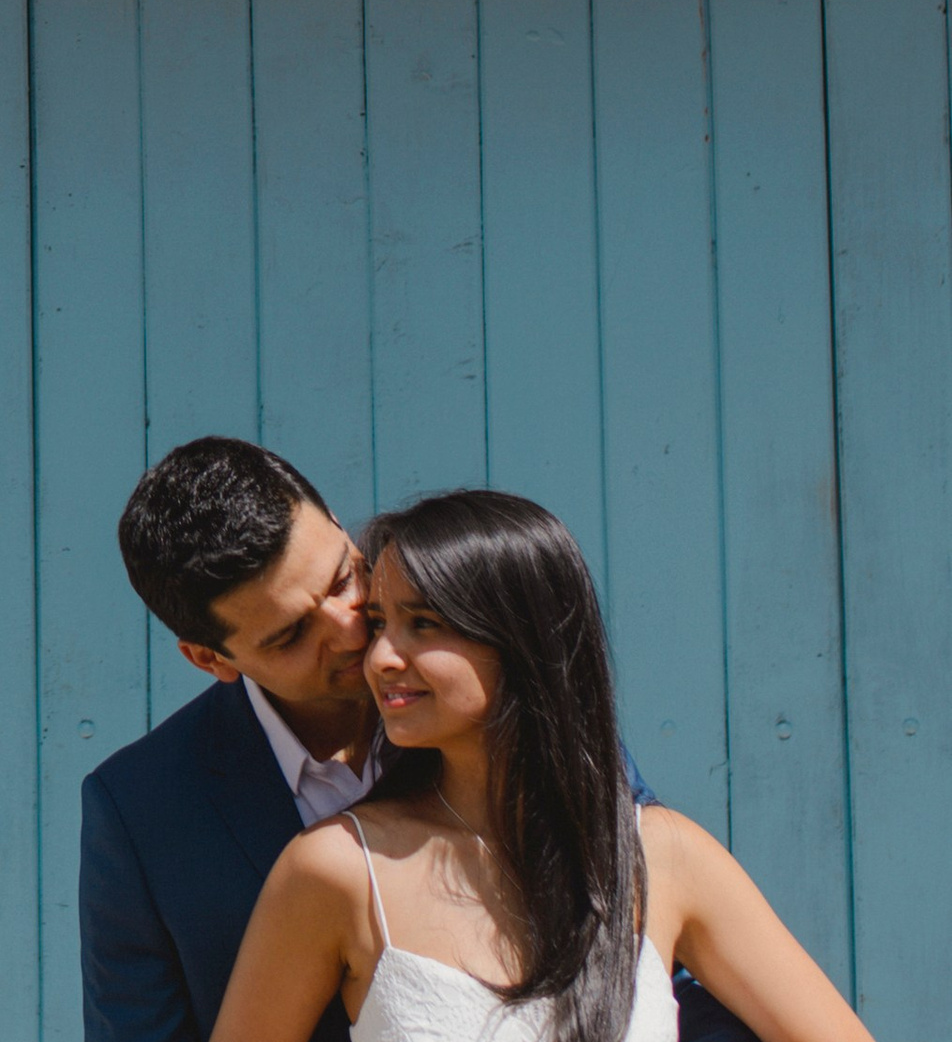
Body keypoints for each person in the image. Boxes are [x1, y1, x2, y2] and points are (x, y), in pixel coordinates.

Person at [82, 440, 752, 1042]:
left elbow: (658, 964)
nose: (350, 632)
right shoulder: (142, 810)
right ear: (210, 659)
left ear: (342, 530)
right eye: (290, 635)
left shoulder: (502, 716)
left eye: (344, 578)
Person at [209, 489, 873, 1042]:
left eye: (425, 624)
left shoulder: (661, 856)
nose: (379, 657)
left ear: (523, 638)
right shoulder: (334, 871)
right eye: (380, 622)